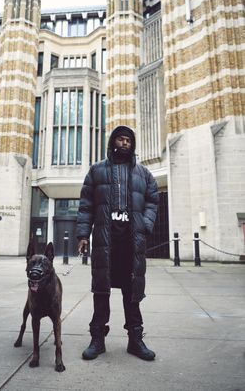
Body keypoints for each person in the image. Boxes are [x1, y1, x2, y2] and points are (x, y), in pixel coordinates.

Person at [76, 125, 159, 361]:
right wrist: (83, 235)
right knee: (101, 292)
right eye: (120, 139)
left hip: (131, 242)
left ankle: (135, 340)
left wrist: (145, 224)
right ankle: (97, 339)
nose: (124, 143)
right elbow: (86, 205)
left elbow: (152, 201)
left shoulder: (143, 174)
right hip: (106, 240)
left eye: (128, 140)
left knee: (131, 293)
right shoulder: (97, 170)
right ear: (113, 142)